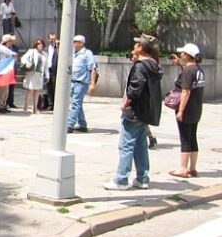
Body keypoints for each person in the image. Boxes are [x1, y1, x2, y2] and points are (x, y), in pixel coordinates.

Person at [103, 34, 162, 190]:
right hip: (145, 112)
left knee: (126, 145)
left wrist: (125, 103)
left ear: (141, 48)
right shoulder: (153, 65)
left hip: (134, 111)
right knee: (140, 146)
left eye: (136, 45)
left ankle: (121, 179)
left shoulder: (141, 66)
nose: (133, 47)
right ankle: (142, 178)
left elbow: (135, 88)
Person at [168, 43, 205, 178]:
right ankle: (192, 168)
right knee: (192, 137)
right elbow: (189, 75)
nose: (180, 55)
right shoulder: (198, 69)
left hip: (187, 109)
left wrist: (180, 111)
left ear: (187, 55)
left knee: (185, 138)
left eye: (182, 54)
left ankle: (183, 168)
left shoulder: (188, 72)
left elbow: (186, 92)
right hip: (196, 108)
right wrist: (179, 64)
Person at [67, 34, 97, 133]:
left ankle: (69, 124)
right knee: (77, 103)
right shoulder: (73, 53)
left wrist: (92, 84)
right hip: (72, 81)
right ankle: (82, 124)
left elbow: (92, 68)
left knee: (75, 103)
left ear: (81, 43)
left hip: (81, 82)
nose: (74, 44)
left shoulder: (87, 53)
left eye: (76, 42)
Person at [21, 38, 48, 114]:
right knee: (30, 90)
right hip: (32, 73)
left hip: (40, 74)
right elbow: (23, 58)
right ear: (36, 45)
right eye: (39, 44)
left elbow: (46, 66)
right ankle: (26, 106)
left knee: (37, 91)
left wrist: (47, 76)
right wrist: (27, 63)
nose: (40, 45)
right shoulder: (31, 51)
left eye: (41, 43)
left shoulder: (45, 54)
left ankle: (35, 108)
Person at [0, 34, 16, 113]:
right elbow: (2, 61)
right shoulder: (2, 49)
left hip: (7, 71)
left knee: (6, 90)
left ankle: (3, 105)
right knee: (2, 90)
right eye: (10, 41)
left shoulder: (7, 49)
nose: (11, 43)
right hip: (2, 71)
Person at [40, 33, 59, 111]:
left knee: (55, 88)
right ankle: (49, 104)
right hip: (48, 69)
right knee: (48, 88)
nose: (53, 40)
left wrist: (58, 46)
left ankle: (55, 104)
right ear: (48, 40)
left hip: (56, 70)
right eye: (51, 39)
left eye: (54, 39)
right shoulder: (47, 48)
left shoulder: (58, 48)